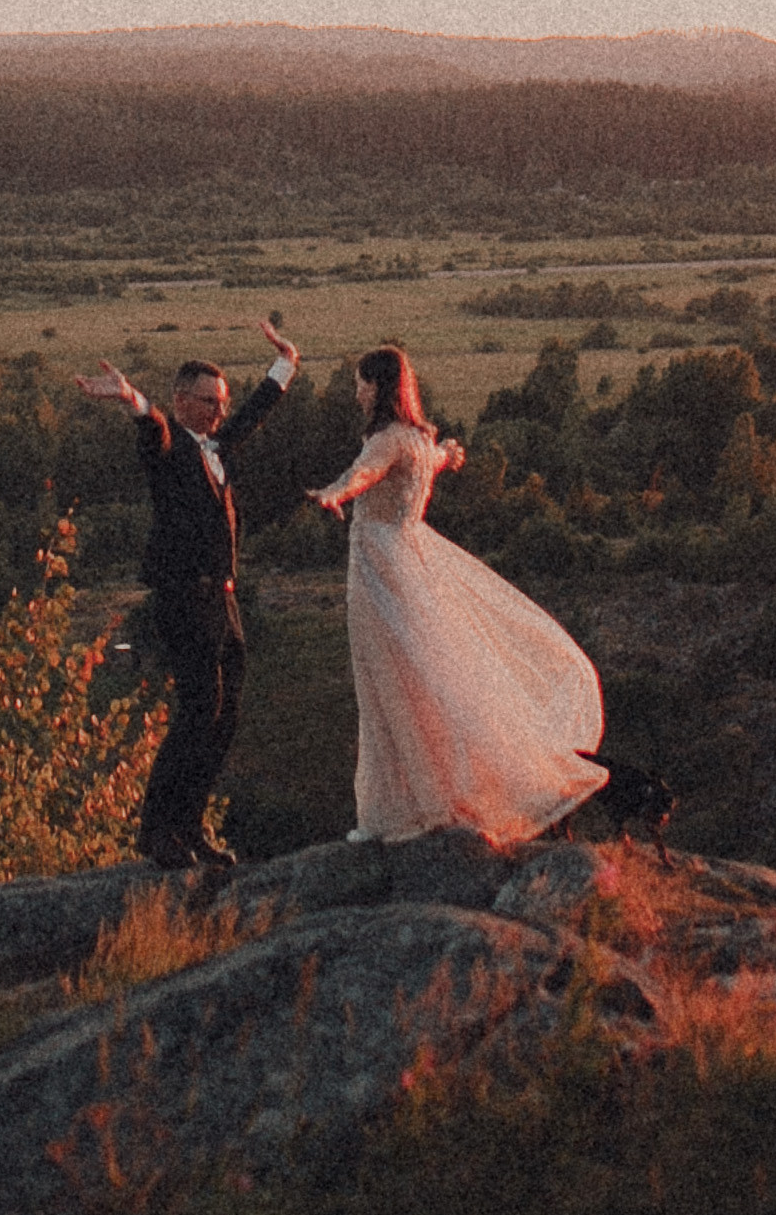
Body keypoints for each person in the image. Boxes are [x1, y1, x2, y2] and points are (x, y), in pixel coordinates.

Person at [310, 346, 609, 848]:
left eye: (362, 383)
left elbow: (361, 475)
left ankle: (403, 809)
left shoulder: (386, 441)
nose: (357, 391)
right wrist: (450, 453)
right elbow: (439, 458)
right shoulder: (419, 440)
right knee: (429, 680)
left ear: (379, 388)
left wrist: (332, 493)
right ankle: (443, 794)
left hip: (382, 572)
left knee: (391, 686)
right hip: (412, 561)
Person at [77, 326, 299, 869]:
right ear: (181, 402)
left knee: (223, 717)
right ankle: (159, 832)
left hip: (223, 602)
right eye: (209, 403)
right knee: (199, 711)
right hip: (183, 599)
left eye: (221, 403)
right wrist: (132, 399)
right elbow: (153, 429)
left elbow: (252, 414)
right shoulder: (170, 448)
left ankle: (190, 829)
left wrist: (286, 365)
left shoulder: (218, 446)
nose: (219, 413)